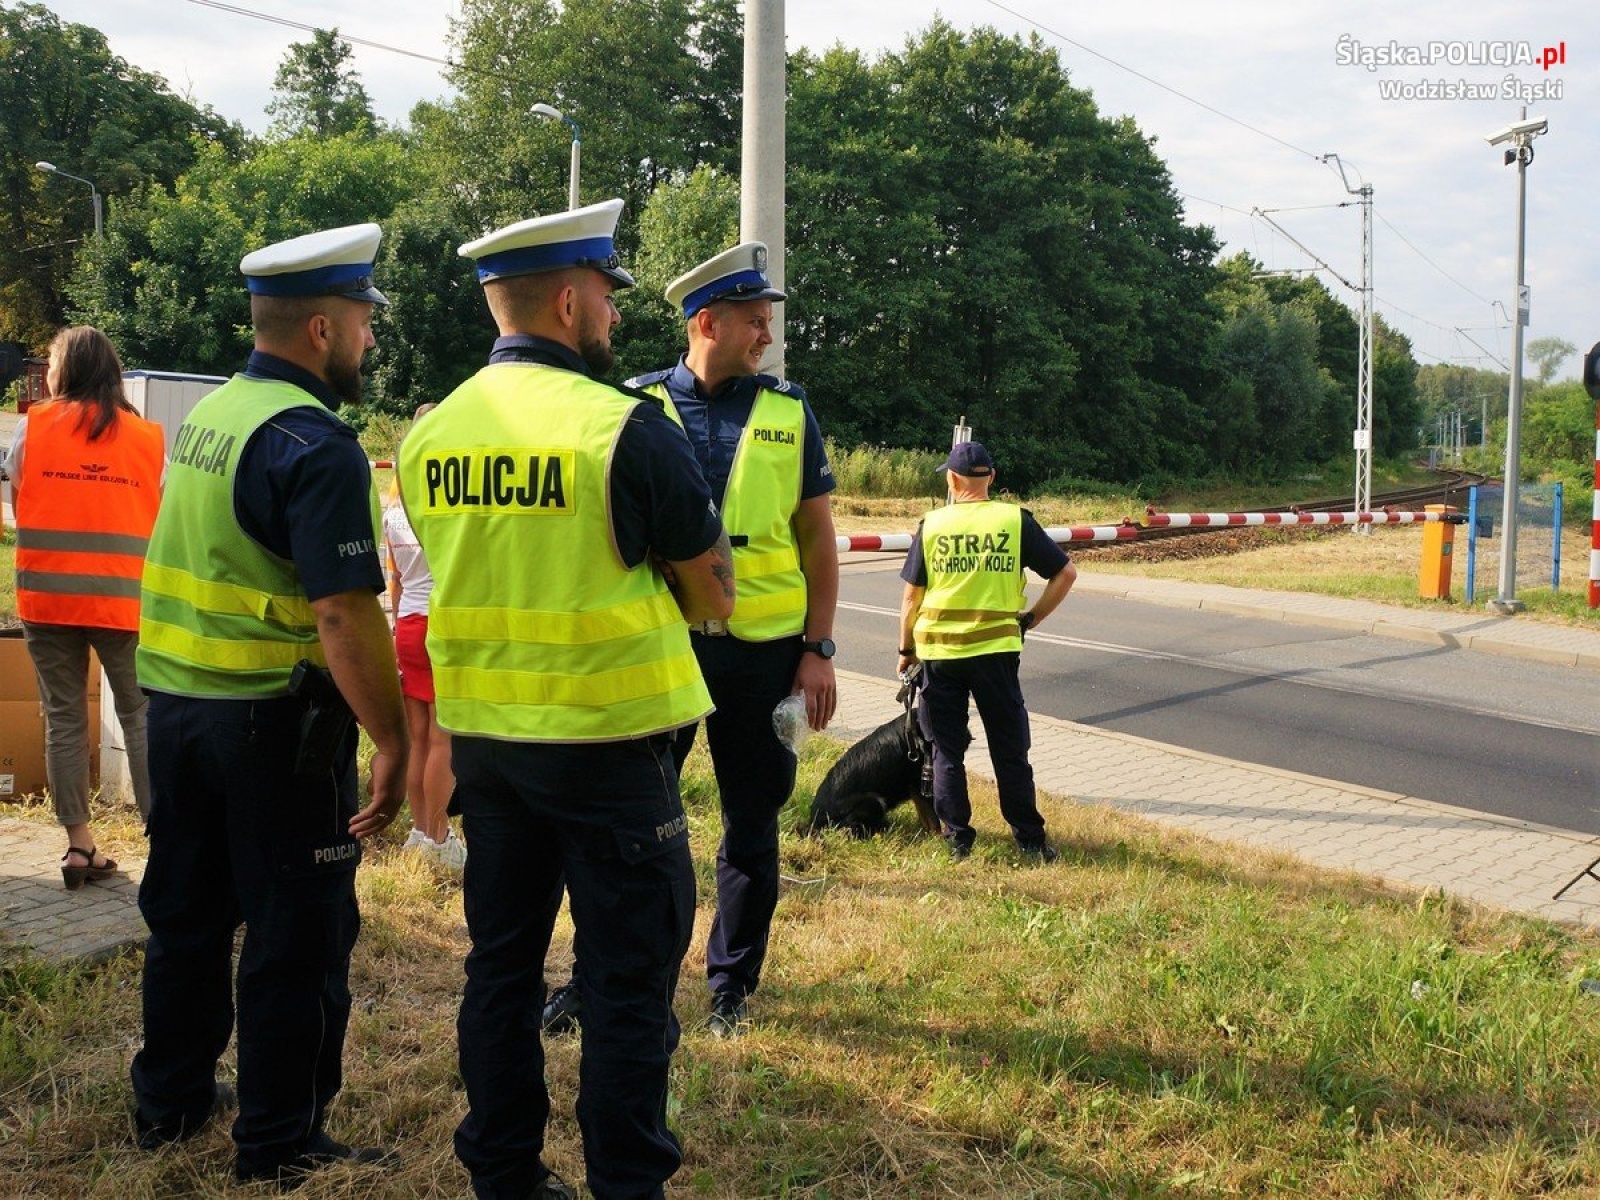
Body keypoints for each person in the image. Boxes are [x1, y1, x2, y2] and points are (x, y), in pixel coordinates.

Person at [398, 198, 732, 1200]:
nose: (615, 317)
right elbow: (710, 587)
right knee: (629, 987)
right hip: (608, 746)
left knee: (498, 968)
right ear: (565, 298)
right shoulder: (622, 427)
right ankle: (627, 1183)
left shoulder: (430, 436)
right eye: (605, 295)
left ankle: (500, 1172)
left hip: (490, 751)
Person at [129, 223, 410, 1187]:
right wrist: (395, 738)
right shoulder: (317, 443)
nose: (373, 338)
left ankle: (166, 1103)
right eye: (366, 320)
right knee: (298, 935)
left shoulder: (218, 414)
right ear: (324, 328)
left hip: (175, 711)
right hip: (275, 730)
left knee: (188, 916)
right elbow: (342, 610)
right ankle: (278, 1141)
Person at [599, 240, 839, 1041]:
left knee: (750, 822)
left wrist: (819, 648)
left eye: (767, 319)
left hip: (762, 656)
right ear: (709, 321)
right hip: (659, 649)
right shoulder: (634, 408)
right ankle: (624, 974)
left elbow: (818, 543)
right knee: (638, 823)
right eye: (754, 319)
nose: (767, 333)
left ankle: (731, 984)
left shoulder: (788, 411)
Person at [6, 325, 164, 888]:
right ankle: (164, 843)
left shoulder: (34, 427)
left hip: (48, 596)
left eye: (50, 362)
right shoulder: (147, 439)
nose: (46, 372)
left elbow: (20, 499)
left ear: (65, 369)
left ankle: (79, 847)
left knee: (65, 718)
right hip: (123, 600)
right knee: (143, 717)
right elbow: (160, 514)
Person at [897, 441, 1076, 862]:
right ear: (991, 478)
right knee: (1009, 750)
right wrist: (1030, 619)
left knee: (946, 750)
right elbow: (1065, 574)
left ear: (951, 479)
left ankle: (958, 840)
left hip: (940, 655)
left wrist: (906, 650)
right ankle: (1030, 841)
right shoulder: (1015, 521)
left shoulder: (933, 524)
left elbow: (910, 600)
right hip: (996, 654)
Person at [383, 402, 464, 869]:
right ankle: (439, 836)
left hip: (408, 625)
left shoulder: (394, 507)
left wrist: (396, 629)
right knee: (443, 740)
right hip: (441, 623)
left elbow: (394, 579)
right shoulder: (444, 501)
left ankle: (419, 829)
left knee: (416, 739)